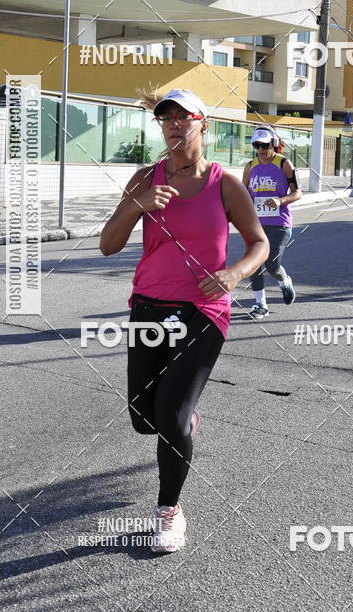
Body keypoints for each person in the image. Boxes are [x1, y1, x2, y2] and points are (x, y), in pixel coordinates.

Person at [100, 89, 268, 553]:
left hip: (203, 312)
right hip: (148, 310)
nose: (174, 125)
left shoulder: (224, 184)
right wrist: (139, 205)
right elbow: (107, 245)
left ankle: (169, 512)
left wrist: (234, 273)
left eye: (184, 118)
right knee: (142, 418)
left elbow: (259, 243)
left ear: (203, 125)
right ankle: (183, 416)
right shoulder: (144, 179)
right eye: (166, 119)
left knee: (169, 419)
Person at [242, 125, 302, 318]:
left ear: (274, 144)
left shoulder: (284, 163)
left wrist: (280, 200)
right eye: (257, 145)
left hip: (279, 223)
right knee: (254, 265)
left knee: (272, 266)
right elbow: (242, 195)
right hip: (255, 224)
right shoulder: (250, 167)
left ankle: (284, 281)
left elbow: (297, 192)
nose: (261, 149)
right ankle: (260, 305)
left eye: (265, 145)